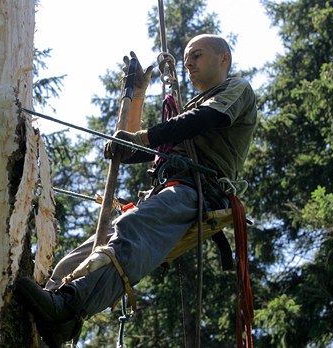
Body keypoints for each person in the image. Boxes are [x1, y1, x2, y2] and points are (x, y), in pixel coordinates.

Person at [14, 34, 258, 347]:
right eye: (187, 60)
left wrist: (141, 139)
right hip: (170, 192)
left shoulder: (235, 90)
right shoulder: (192, 109)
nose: (190, 64)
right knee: (79, 257)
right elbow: (147, 148)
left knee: (130, 233)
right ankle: (53, 314)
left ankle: (67, 306)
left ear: (224, 58)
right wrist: (136, 101)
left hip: (198, 192)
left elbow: (202, 120)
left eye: (197, 56)